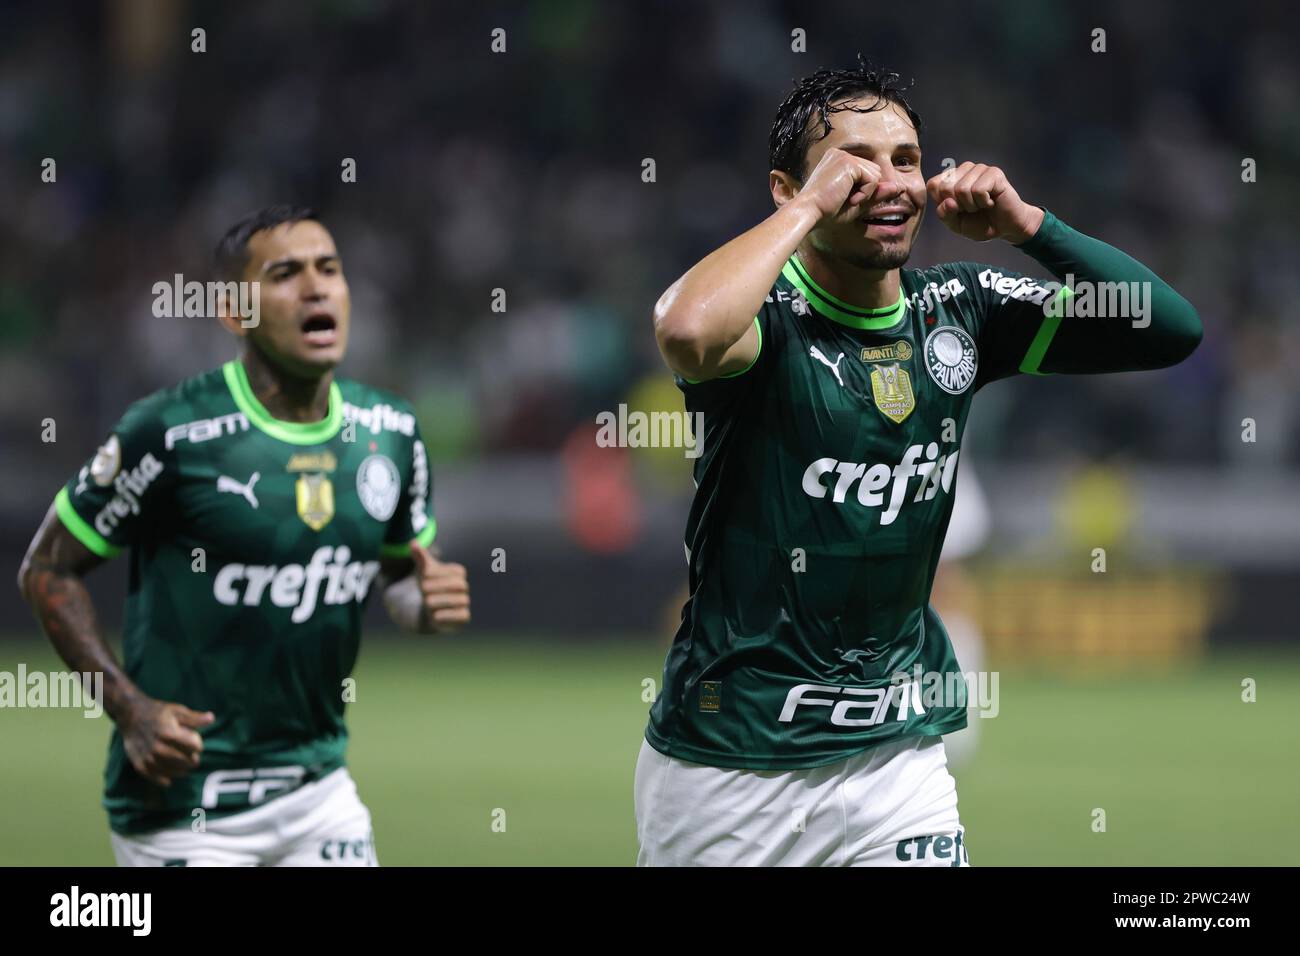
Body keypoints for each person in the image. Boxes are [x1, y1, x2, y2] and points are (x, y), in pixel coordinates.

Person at [637, 62, 1201, 866]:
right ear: (788, 186)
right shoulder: (763, 323)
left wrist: (1030, 228)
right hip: (731, 768)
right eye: (855, 161)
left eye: (906, 158)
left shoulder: (962, 309)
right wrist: (806, 210)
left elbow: (1167, 327)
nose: (890, 179)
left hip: (898, 767)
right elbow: (687, 331)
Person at [17, 205, 471, 866]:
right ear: (235, 312)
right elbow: (45, 569)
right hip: (183, 807)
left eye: (330, 269)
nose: (316, 288)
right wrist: (130, 709)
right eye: (286, 274)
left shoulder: (390, 432)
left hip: (318, 791)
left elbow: (400, 579)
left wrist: (426, 605)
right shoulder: (170, 431)